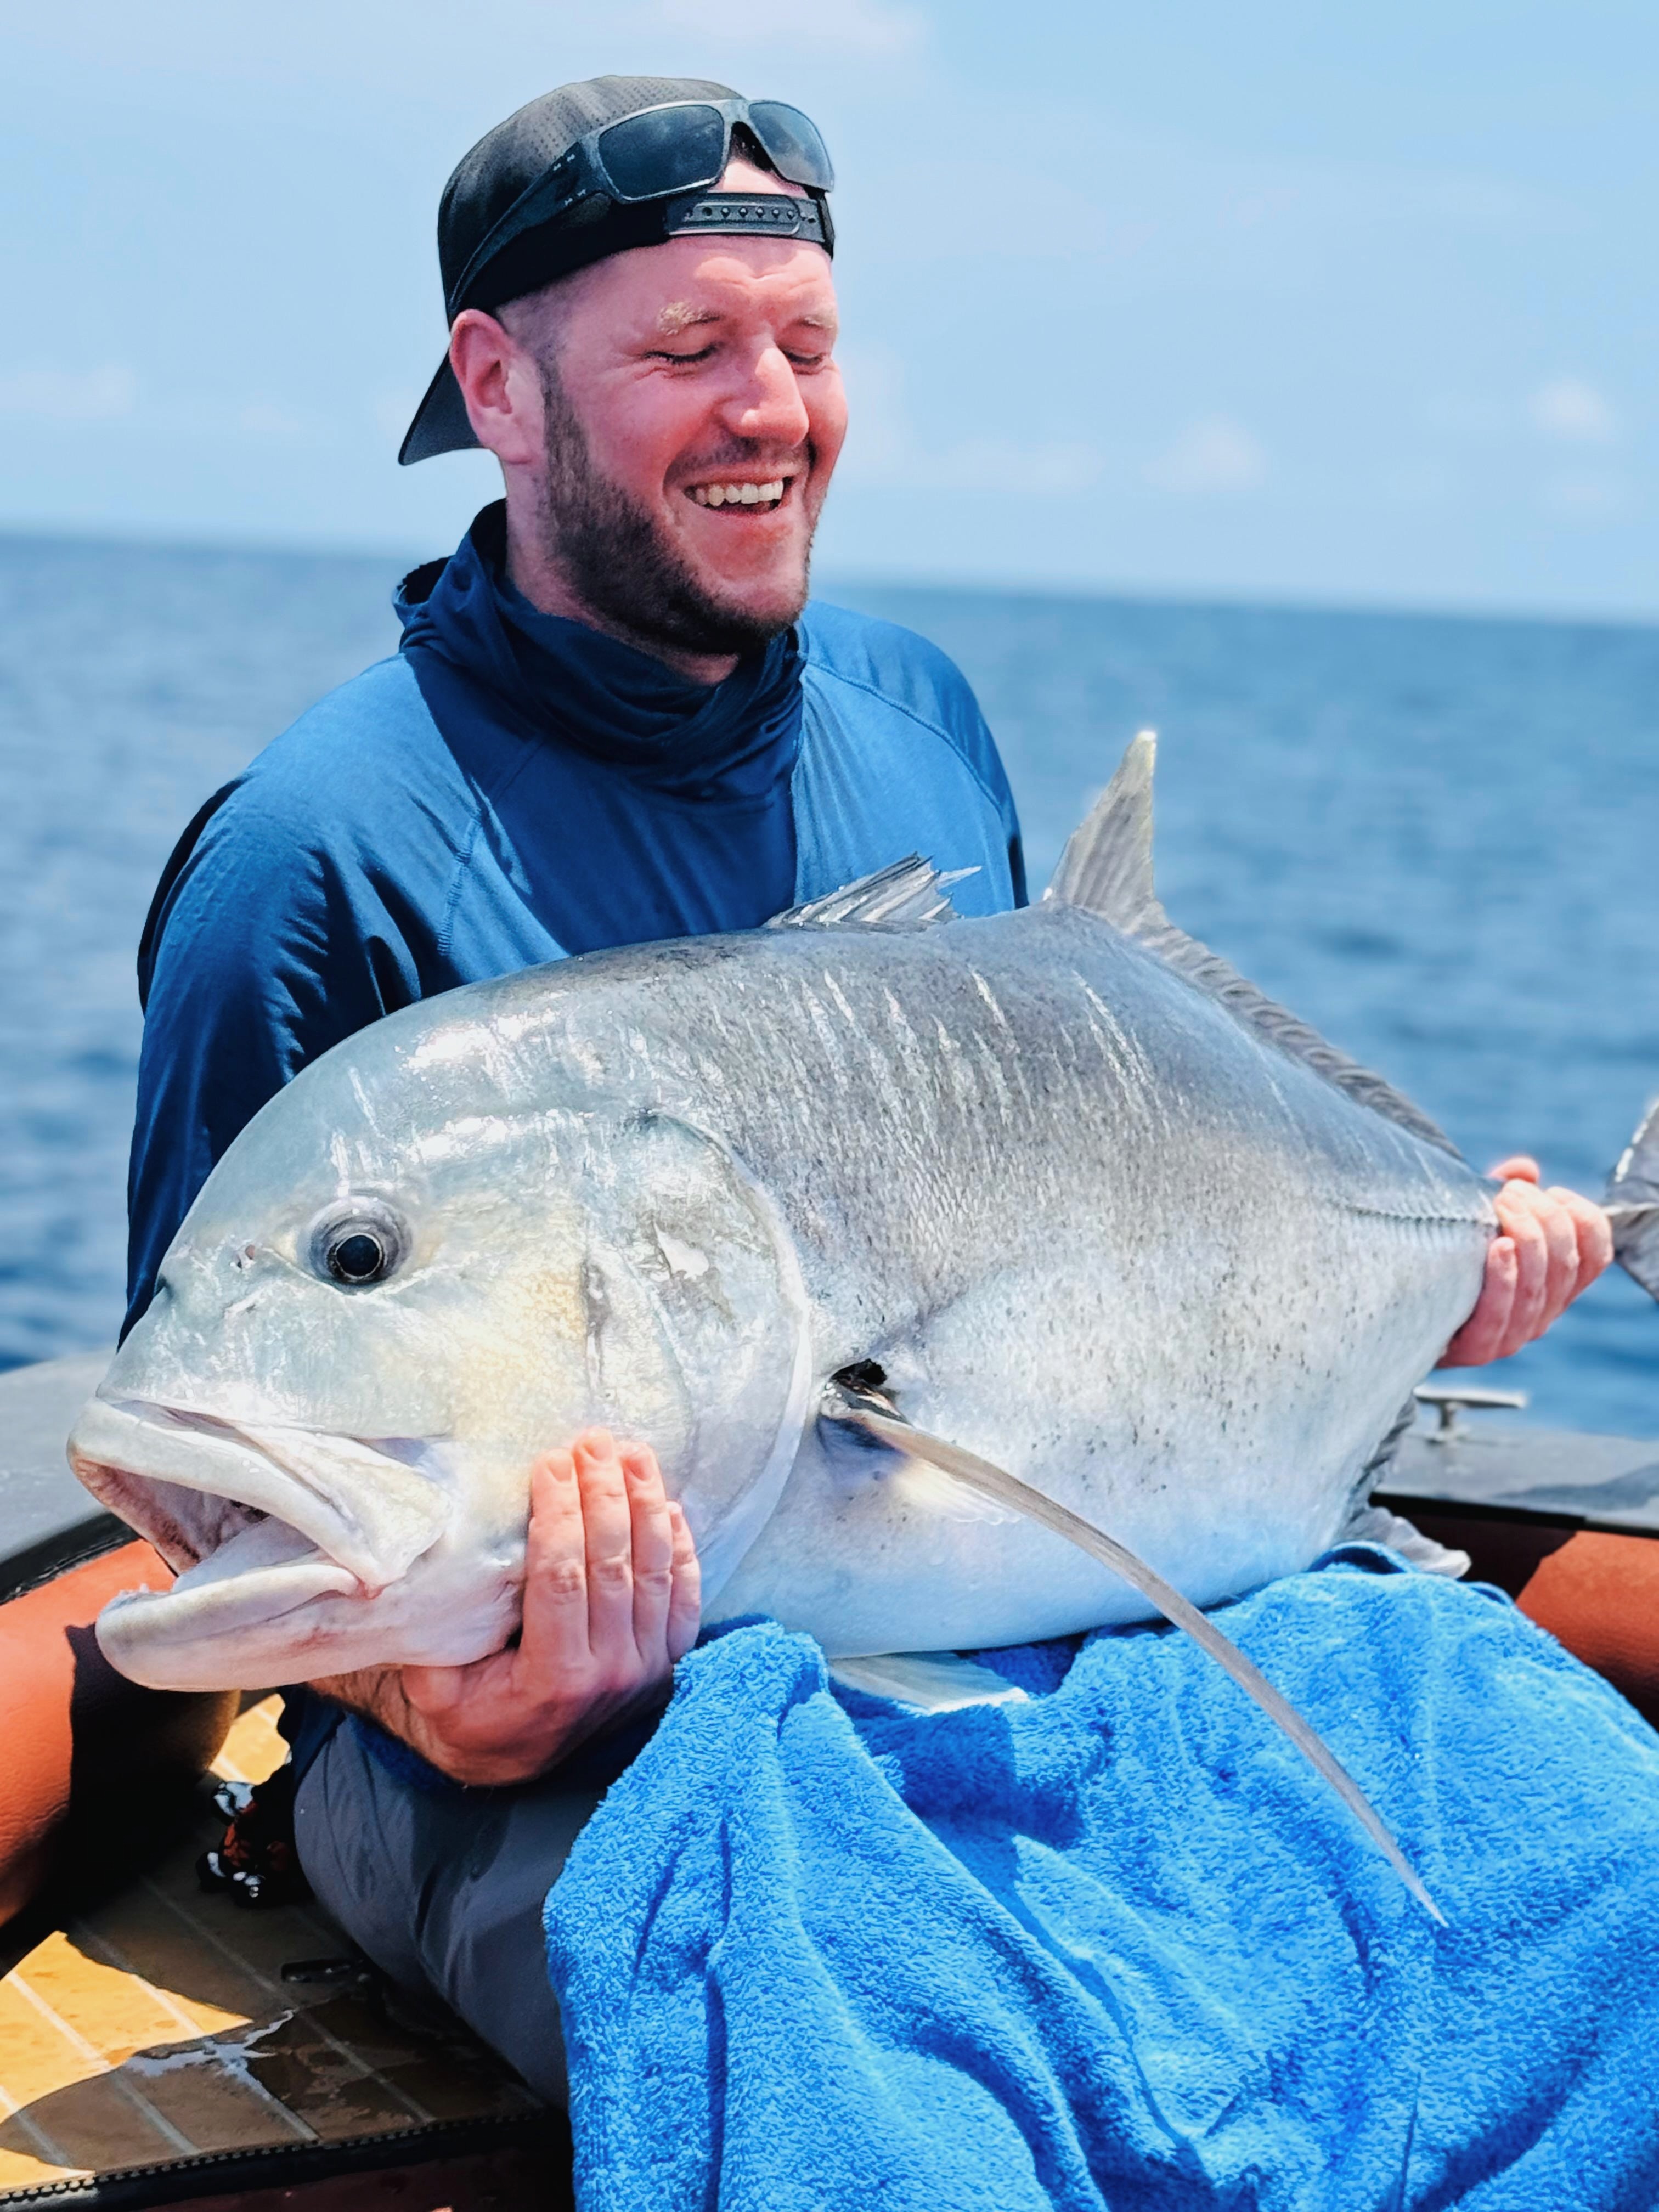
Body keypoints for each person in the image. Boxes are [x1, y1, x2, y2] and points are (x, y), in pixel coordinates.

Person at [124, 75, 1611, 2100]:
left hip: (996, 1620)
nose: (769, 410)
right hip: (518, 1776)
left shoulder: (919, 718)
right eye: (685, 351)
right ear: (496, 382)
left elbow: (1083, 1212)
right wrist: (438, 1700)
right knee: (899, 2041)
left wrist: (1440, 1261)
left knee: (1581, 1887)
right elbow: (201, 1494)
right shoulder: (310, 859)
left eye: (805, 347)